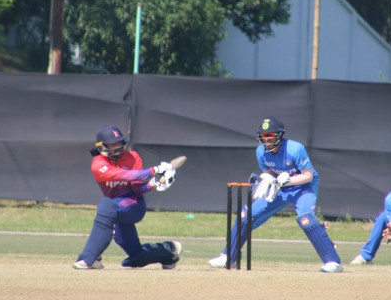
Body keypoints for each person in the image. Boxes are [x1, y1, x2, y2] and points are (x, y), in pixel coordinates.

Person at [208, 117, 344, 273]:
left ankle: (333, 262)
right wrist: (267, 177)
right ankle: (228, 257)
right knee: (246, 215)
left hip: (303, 187)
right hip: (279, 187)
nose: (267, 140)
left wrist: (287, 180)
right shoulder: (261, 152)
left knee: (306, 218)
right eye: (264, 136)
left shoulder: (295, 149)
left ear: (279, 135)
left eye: (270, 136)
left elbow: (308, 175)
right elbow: (271, 170)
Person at [73, 125, 182, 270]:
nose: (117, 147)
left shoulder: (133, 156)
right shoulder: (98, 164)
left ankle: (90, 259)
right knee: (135, 256)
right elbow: (124, 175)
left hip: (133, 205)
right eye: (113, 144)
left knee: (105, 205)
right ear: (102, 147)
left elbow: (137, 188)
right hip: (115, 209)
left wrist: (154, 184)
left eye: (119, 143)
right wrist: (155, 170)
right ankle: (168, 252)